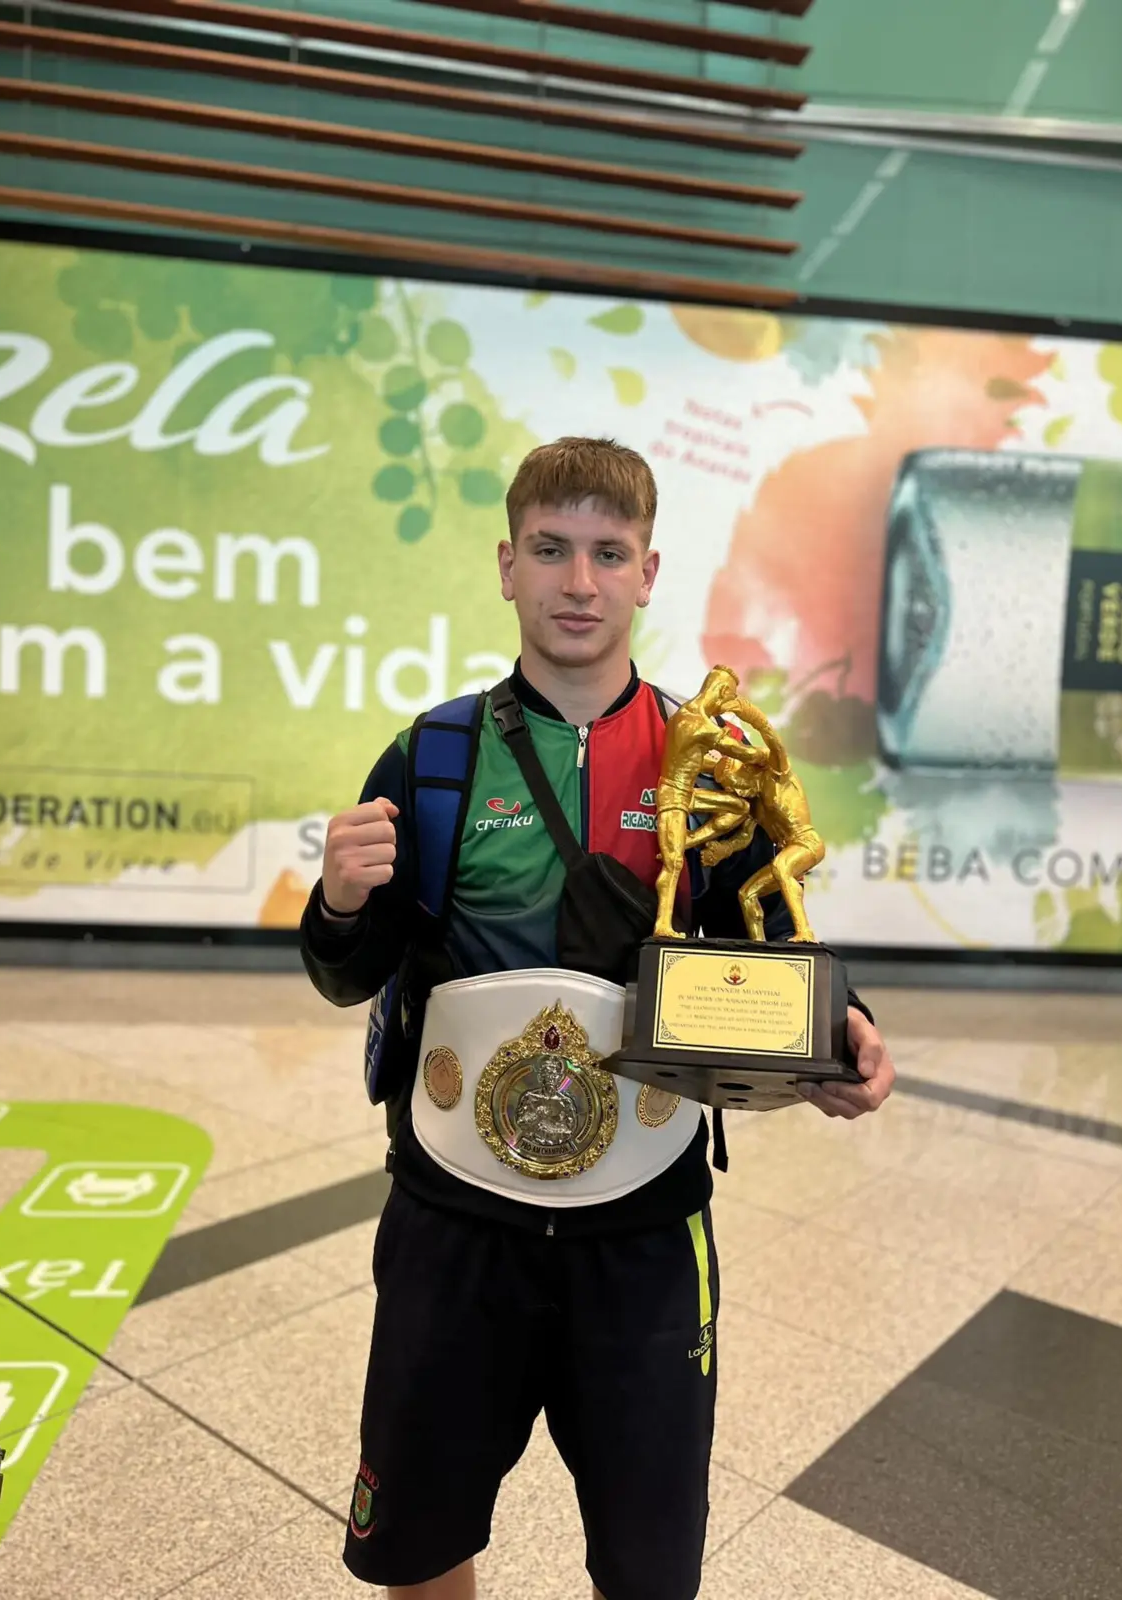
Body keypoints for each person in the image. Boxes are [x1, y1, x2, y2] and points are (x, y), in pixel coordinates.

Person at [300, 437, 896, 1600]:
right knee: (418, 1540)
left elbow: (772, 942)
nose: (579, 580)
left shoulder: (706, 762)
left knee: (649, 1562)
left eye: (607, 553)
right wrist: (338, 901)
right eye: (552, 549)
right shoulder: (433, 758)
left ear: (648, 572)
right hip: (452, 1219)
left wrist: (846, 1031)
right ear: (507, 567)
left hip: (645, 1233)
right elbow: (345, 972)